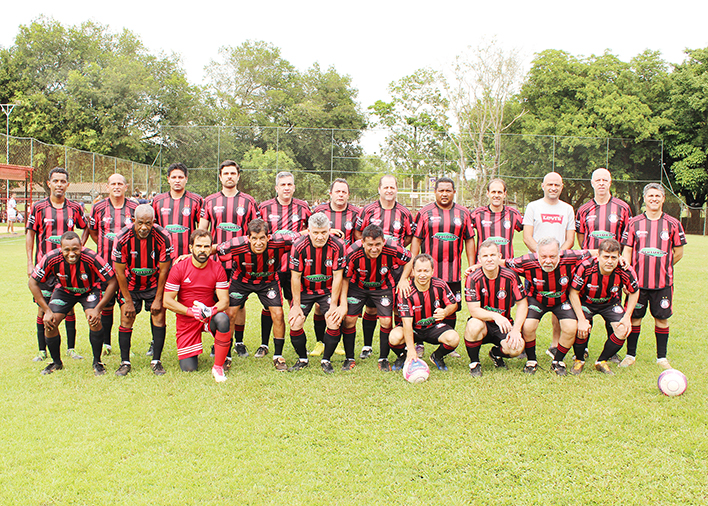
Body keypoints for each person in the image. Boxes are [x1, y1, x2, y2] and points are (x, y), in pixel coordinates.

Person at [28, 231, 117, 375]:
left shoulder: (92, 257)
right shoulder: (51, 257)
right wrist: (47, 310)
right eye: (67, 250)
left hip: (89, 290)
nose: (71, 253)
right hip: (65, 290)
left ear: (81, 246)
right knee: (50, 323)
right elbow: (32, 283)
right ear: (61, 248)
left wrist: (98, 309)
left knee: (93, 319)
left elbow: (112, 282)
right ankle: (56, 362)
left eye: (75, 249)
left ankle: (97, 362)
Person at [620, 183, 686, 369]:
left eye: (658, 196)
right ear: (645, 199)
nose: (654, 199)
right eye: (651, 196)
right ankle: (630, 355)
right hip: (638, 283)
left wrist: (663, 266)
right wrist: (627, 276)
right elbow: (627, 251)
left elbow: (678, 253)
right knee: (634, 318)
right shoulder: (634, 223)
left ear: (663, 198)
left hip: (663, 283)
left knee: (662, 319)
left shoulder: (673, 223)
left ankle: (661, 358)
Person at [26, 167, 89, 362]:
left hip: (68, 268)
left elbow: (86, 227)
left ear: (67, 184)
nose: (59, 185)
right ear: (49, 183)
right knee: (42, 307)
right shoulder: (38, 207)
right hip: (44, 268)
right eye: (56, 181)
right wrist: (30, 263)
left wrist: (80, 247)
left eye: (63, 181)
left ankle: (71, 349)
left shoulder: (75, 208)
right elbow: (30, 234)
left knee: (68, 306)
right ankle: (42, 350)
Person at [199, 159, 259, 359]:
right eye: (226, 173)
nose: (230, 176)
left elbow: (255, 233)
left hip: (239, 262)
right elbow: (201, 231)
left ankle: (239, 342)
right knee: (217, 302)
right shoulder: (209, 201)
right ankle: (219, 342)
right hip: (215, 263)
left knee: (238, 304)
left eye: (233, 173)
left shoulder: (249, 202)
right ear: (220, 176)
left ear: (238, 176)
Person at [505, 237, 591, 375]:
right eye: (543, 256)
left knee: (570, 327)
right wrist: (476, 266)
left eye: (552, 256)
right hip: (536, 299)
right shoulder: (527, 261)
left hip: (561, 300)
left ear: (560, 253)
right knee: (528, 326)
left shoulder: (570, 257)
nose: (548, 260)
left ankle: (558, 361)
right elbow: (501, 262)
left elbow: (595, 253)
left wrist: (620, 259)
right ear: (537, 254)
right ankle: (531, 360)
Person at [216, 218, 292, 371]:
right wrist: (189, 256)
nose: (258, 242)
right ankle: (227, 356)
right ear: (248, 238)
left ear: (268, 237)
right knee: (230, 313)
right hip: (241, 280)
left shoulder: (280, 242)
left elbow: (304, 235)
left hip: (268, 280)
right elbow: (215, 249)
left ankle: (278, 356)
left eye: (262, 238)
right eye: (254, 238)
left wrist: (328, 231)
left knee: (278, 314)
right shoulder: (236, 244)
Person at [354, 174, 415, 360]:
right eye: (385, 187)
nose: (389, 190)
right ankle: (366, 346)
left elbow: (409, 237)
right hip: (372, 266)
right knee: (371, 308)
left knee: (397, 306)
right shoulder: (367, 210)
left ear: (396, 189)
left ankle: (398, 344)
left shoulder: (404, 213)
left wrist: (394, 252)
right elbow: (358, 232)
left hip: (395, 267)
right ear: (379, 189)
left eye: (392, 187)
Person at [574, 167, 632, 361]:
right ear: (592, 183)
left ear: (610, 182)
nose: (601, 183)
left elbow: (627, 237)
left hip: (612, 265)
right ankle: (583, 348)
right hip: (591, 268)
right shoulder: (583, 209)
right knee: (585, 305)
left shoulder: (623, 207)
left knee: (611, 299)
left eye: (604, 180)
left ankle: (612, 351)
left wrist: (621, 260)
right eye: (597, 180)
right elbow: (582, 238)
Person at [410, 177, 474, 344]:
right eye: (441, 190)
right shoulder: (425, 212)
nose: (444, 194)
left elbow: (469, 239)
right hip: (428, 272)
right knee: (422, 304)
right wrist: (412, 266)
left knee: (451, 308)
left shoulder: (463, 213)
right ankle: (419, 343)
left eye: (448, 190)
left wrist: (473, 265)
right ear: (435, 192)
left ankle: (447, 338)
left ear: (454, 192)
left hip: (453, 271)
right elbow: (416, 239)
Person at [341, 224, 413, 372]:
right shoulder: (352, 252)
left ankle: (383, 358)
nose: (374, 249)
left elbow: (410, 258)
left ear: (383, 242)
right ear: (362, 242)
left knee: (386, 321)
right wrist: (342, 303)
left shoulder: (393, 247)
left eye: (378, 244)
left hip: (382, 286)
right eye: (370, 245)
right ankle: (349, 358)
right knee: (349, 320)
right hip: (358, 287)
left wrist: (403, 279)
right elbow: (345, 279)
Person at [112, 204, 172, 376]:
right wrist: (128, 301)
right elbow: (119, 272)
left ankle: (156, 361)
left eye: (148, 223)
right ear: (133, 221)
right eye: (140, 223)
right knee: (126, 318)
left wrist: (159, 298)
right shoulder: (122, 237)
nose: (144, 227)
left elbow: (164, 270)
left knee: (159, 316)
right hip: (130, 286)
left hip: (154, 284)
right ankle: (125, 362)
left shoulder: (163, 236)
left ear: (154, 221)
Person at [150, 162, 203, 356]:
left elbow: (202, 230)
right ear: (168, 179)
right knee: (160, 301)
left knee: (194, 300)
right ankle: (155, 342)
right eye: (174, 177)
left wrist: (193, 254)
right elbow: (150, 228)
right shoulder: (157, 201)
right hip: (162, 261)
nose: (177, 180)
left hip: (188, 261)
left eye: (181, 177)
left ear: (186, 179)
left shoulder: (196, 201)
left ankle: (200, 338)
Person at [256, 172, 311, 358]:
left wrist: (299, 234)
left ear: (294, 187)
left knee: (295, 304)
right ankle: (264, 345)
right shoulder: (264, 207)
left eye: (290, 184)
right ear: (276, 188)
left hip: (296, 266)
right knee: (268, 306)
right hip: (272, 265)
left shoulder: (303, 207)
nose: (286, 187)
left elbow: (312, 230)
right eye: (283, 185)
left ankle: (298, 345)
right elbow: (257, 233)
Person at [163, 230, 231, 381]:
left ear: (210, 248)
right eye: (198, 246)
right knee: (189, 369)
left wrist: (210, 310)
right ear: (190, 247)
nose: (202, 250)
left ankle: (218, 367)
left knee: (223, 318)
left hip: (208, 316)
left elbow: (224, 301)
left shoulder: (217, 268)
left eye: (206, 246)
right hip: (187, 318)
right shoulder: (179, 268)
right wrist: (190, 312)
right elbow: (167, 300)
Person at [522, 171, 575, 356]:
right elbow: (527, 236)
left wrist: (555, 257)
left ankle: (555, 343)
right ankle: (524, 345)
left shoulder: (567, 209)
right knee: (529, 305)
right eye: (550, 184)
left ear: (562, 187)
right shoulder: (533, 207)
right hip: (536, 266)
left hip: (558, 265)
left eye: (557, 185)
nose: (553, 188)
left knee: (557, 303)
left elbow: (570, 239)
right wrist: (542, 256)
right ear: (543, 186)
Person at [567, 239, 639, 375]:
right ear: (598, 256)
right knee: (580, 327)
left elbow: (635, 291)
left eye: (613, 257)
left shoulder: (625, 269)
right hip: (586, 302)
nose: (609, 261)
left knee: (623, 329)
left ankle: (602, 361)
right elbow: (573, 292)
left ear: (619, 257)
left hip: (610, 303)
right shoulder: (586, 267)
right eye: (606, 257)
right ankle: (579, 360)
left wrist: (627, 316)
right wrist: (581, 320)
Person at [287, 212, 348, 373]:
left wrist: (334, 305)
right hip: (305, 290)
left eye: (323, 232)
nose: (320, 237)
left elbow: (337, 277)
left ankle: (326, 360)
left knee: (333, 321)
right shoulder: (298, 245)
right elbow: (295, 277)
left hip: (327, 290)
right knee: (295, 322)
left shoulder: (338, 245)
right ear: (308, 231)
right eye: (315, 233)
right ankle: (302, 359)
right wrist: (296, 306)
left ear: (329, 229)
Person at [310, 178, 361, 356]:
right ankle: (319, 342)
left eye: (344, 192)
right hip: (321, 266)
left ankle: (335, 340)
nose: (340, 194)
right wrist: (327, 231)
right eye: (337, 191)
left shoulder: (356, 213)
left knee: (340, 304)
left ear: (348, 194)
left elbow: (358, 238)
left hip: (346, 266)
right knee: (319, 306)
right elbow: (309, 233)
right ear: (330, 193)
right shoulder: (318, 211)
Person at [88, 174, 138, 356]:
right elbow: (94, 233)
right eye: (113, 184)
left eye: (120, 184)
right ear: (107, 187)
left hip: (129, 267)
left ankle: (126, 348)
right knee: (106, 305)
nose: (116, 187)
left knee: (126, 305)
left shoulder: (135, 207)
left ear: (126, 187)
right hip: (105, 267)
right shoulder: (98, 208)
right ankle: (106, 344)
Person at [463, 241, 527, 377]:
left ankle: (496, 354)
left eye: (493, 255)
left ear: (499, 256)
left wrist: (516, 330)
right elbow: (474, 310)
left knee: (517, 348)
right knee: (473, 325)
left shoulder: (511, 276)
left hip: (503, 325)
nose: (489, 259)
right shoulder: (473, 278)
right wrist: (496, 316)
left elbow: (522, 304)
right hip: (483, 324)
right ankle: (474, 363)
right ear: (479, 259)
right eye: (485, 256)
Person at [389, 253, 459, 372]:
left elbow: (454, 304)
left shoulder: (440, 285)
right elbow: (406, 323)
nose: (422, 274)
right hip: (413, 328)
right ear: (413, 271)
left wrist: (446, 311)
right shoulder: (406, 290)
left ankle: (437, 356)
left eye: (426, 271)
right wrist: (411, 349)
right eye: (419, 270)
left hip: (433, 327)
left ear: (432, 271)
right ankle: (403, 355)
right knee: (394, 337)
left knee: (454, 338)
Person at [470, 178, 523, 260]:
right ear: (488, 193)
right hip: (483, 265)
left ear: (504, 194)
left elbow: (528, 230)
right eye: (493, 192)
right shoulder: (477, 214)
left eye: (500, 192)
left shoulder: (514, 214)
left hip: (506, 266)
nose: (496, 195)